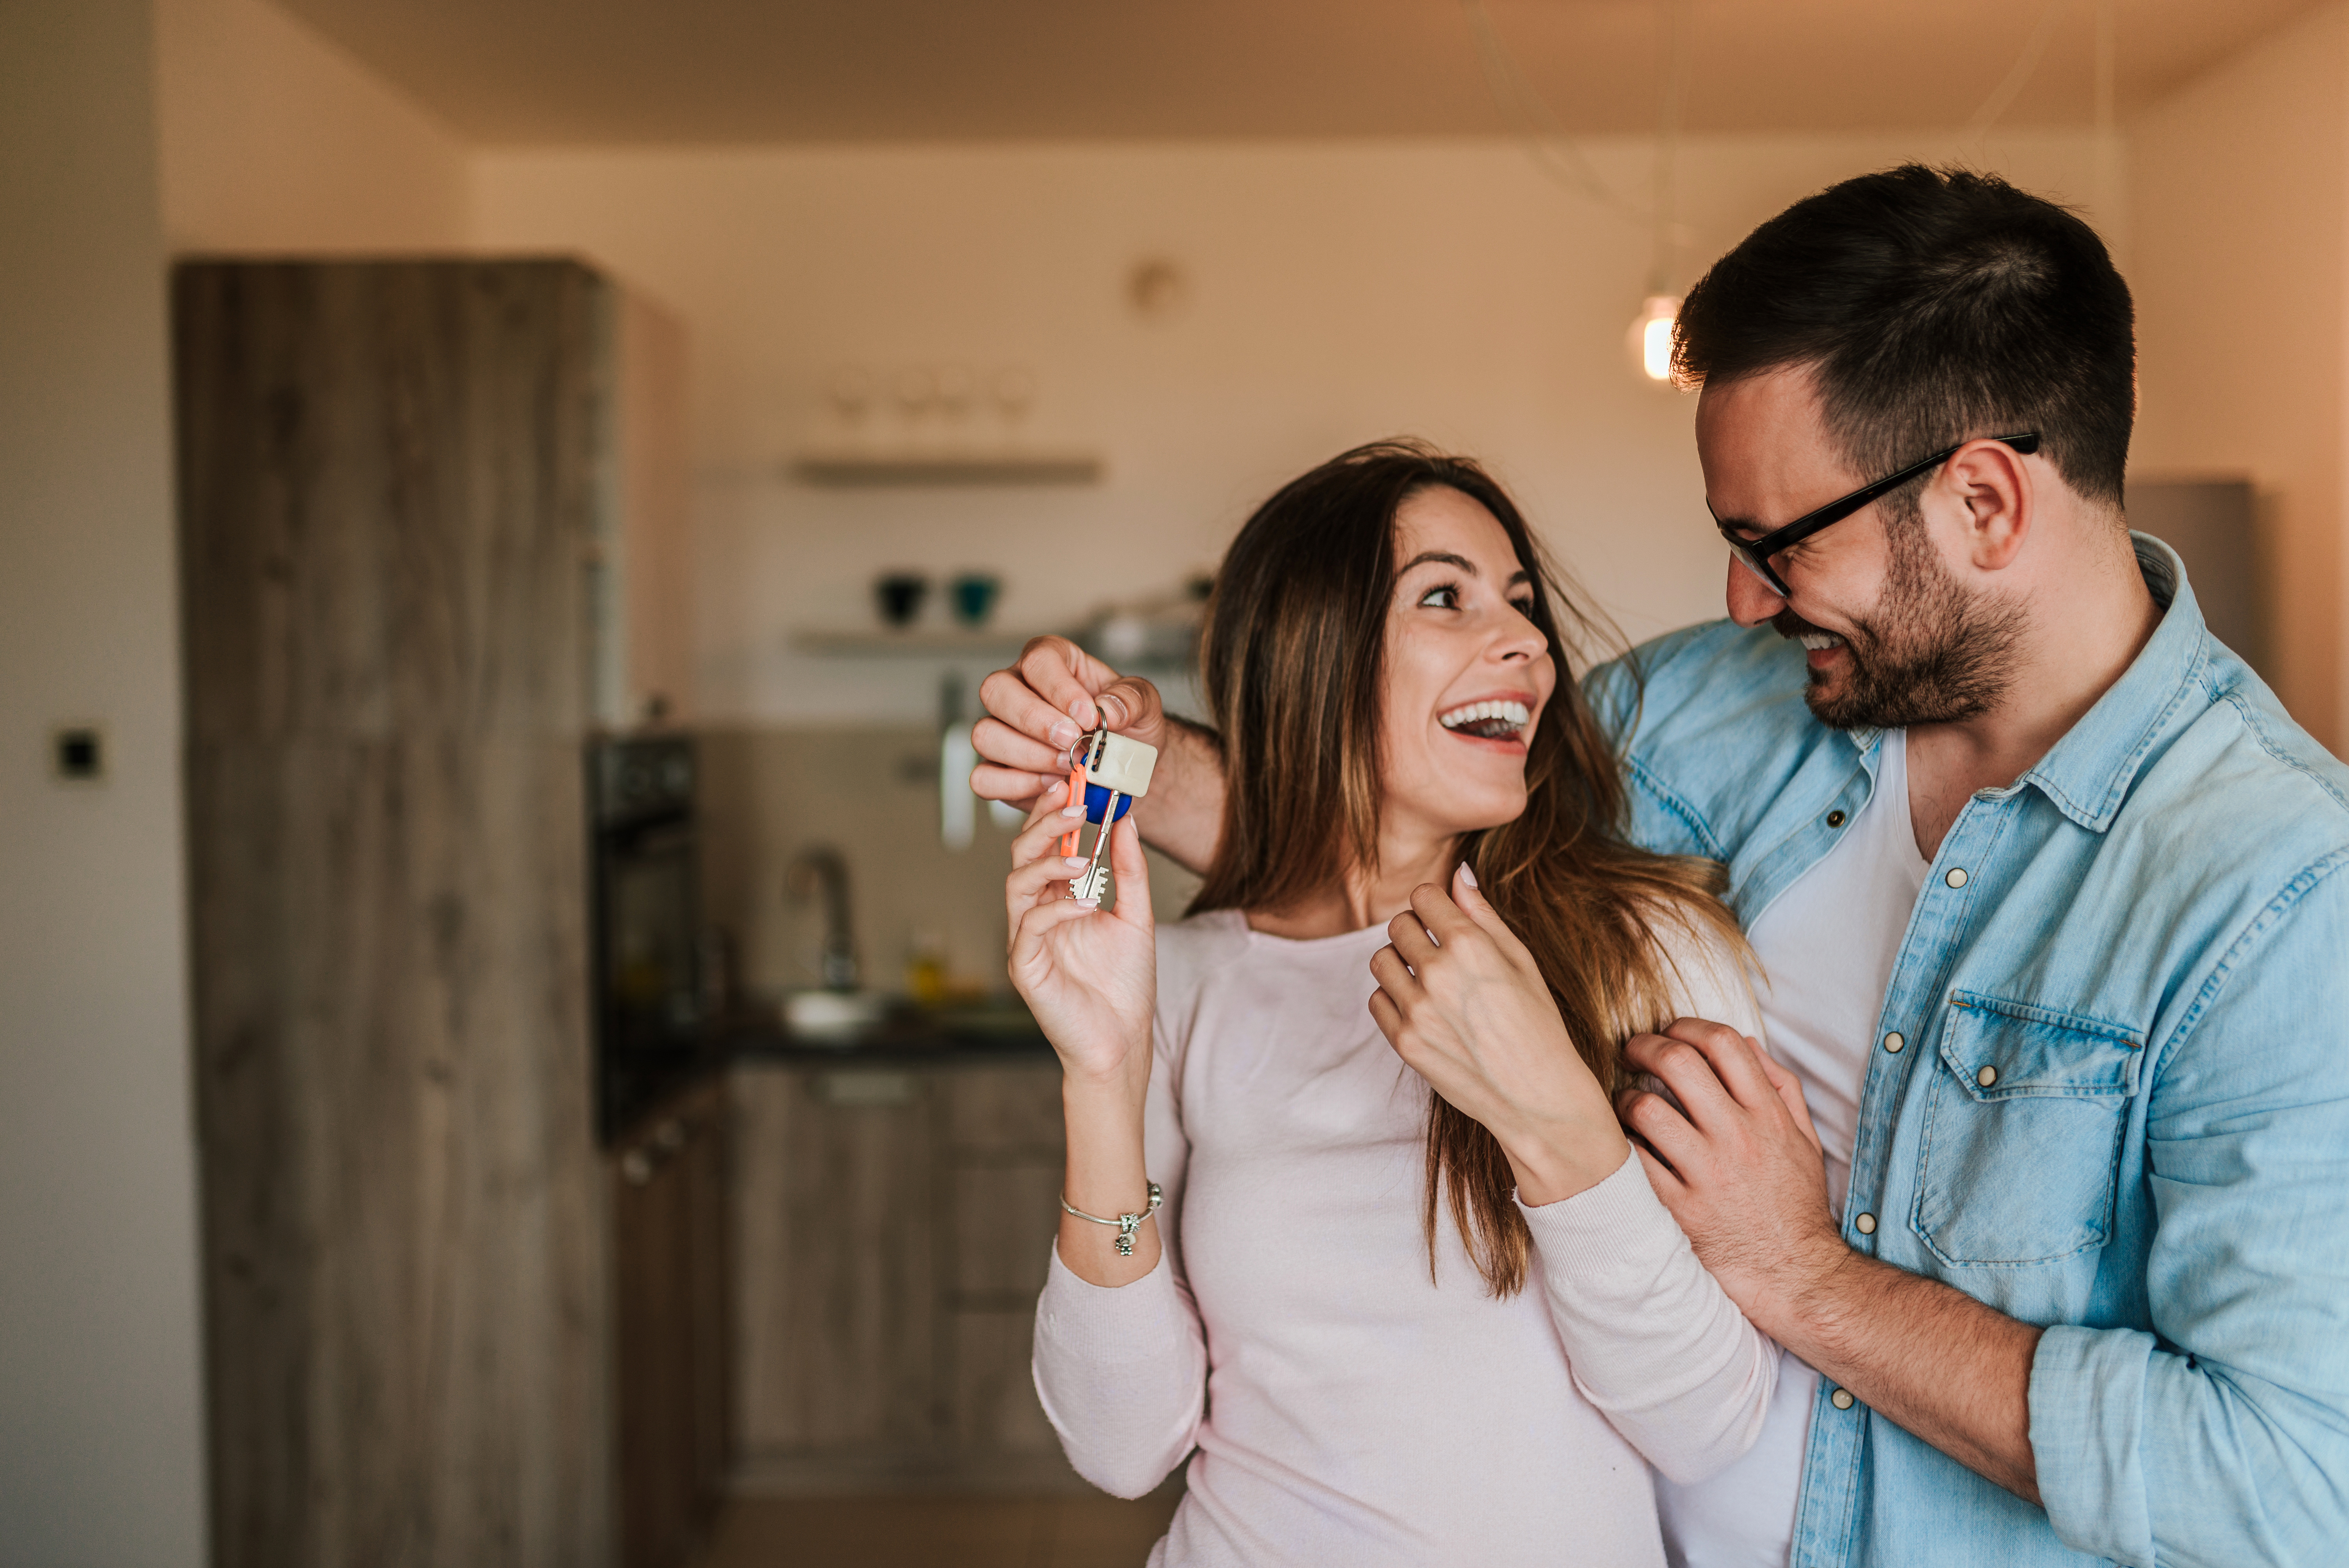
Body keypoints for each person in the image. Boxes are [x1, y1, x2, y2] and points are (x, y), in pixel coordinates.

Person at [974, 166, 2349, 1568]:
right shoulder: (1734, 705)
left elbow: (2295, 1484)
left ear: (1985, 503)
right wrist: (1128, 760)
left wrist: (1807, 1278)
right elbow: (1390, 815)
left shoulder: (2278, 892)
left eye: (1780, 544)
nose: (1744, 600)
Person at [1006, 442, 1791, 1567]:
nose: (1524, 643)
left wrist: (1557, 1123)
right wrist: (1101, 1074)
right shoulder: (1184, 978)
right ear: (1314, 660)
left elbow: (1709, 1424)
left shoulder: (1647, 949)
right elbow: (1123, 1445)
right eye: (1445, 598)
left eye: (1522, 606)